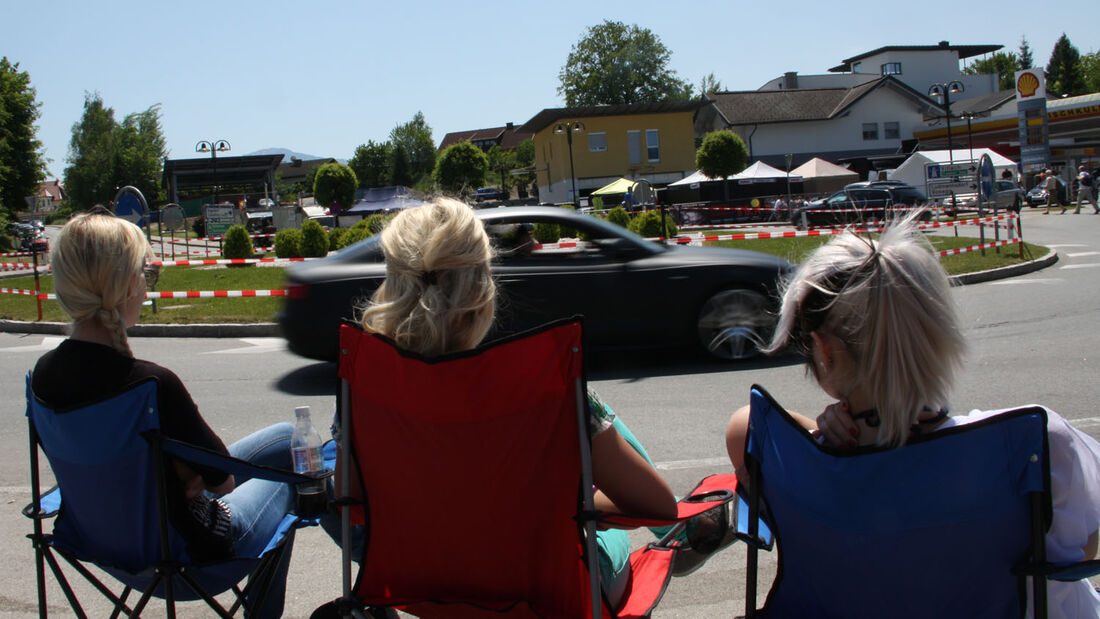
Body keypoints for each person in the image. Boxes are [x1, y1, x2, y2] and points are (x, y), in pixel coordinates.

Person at [326, 197, 721, 606]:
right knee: (597, 448)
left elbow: (351, 505)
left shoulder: (363, 388)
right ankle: (685, 539)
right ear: (482, 285)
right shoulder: (548, 386)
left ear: (393, 280)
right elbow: (656, 508)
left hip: (427, 587)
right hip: (551, 593)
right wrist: (566, 500)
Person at [724, 213, 1100, 617]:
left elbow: (743, 424)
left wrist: (821, 430)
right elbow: (1081, 547)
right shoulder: (1036, 441)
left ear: (825, 351)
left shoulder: (796, 459)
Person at [30, 209, 299, 618]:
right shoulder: (150, 387)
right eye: (146, 275)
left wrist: (168, 472)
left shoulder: (40, 381)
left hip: (109, 551)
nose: (147, 288)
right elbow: (223, 484)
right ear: (123, 285)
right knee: (291, 476)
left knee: (285, 435)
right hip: (191, 559)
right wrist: (183, 472)